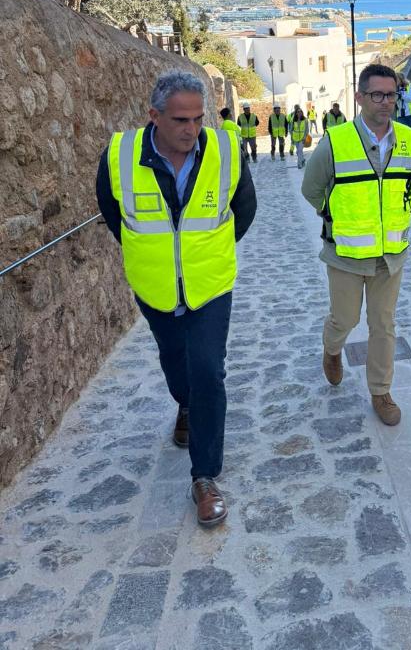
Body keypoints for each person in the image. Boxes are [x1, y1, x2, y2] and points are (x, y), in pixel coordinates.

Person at [96, 70, 257, 526]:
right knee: (175, 361)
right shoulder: (119, 154)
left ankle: (205, 477)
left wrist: (205, 253)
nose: (191, 129)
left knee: (208, 370)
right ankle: (184, 404)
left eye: (198, 119)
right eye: (181, 120)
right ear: (154, 116)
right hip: (155, 285)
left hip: (210, 284)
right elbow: (114, 213)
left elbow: (243, 209)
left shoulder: (226, 150)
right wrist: (156, 255)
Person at [301, 64, 411, 426]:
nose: (386, 102)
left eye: (392, 94)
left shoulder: (409, 139)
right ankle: (332, 348)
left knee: (383, 325)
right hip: (347, 255)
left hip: (390, 255)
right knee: (345, 319)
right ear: (359, 97)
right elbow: (312, 189)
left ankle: (381, 391)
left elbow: (410, 186)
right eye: (377, 95)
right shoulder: (336, 142)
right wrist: (337, 219)